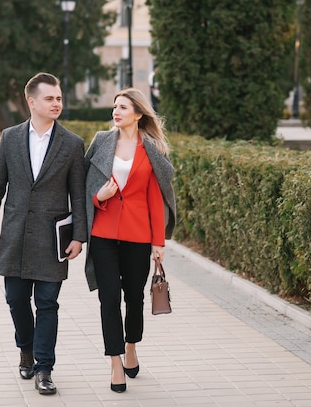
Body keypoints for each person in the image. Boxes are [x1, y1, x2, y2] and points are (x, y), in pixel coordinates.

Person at [0, 72, 87, 396]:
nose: (57, 103)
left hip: (53, 240)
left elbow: (78, 195)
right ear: (31, 102)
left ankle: (44, 367)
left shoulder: (72, 144)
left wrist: (79, 236)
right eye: (50, 98)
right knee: (15, 299)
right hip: (15, 234)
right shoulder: (10, 137)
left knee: (47, 303)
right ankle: (25, 347)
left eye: (59, 98)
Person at [84, 87, 176, 393]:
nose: (116, 111)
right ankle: (115, 363)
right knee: (108, 298)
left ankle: (131, 345)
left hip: (138, 235)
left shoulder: (150, 149)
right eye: (114, 106)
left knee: (134, 297)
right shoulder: (101, 141)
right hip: (103, 233)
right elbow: (86, 185)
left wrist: (158, 241)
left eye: (123, 107)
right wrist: (100, 197)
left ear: (138, 113)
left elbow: (155, 197)